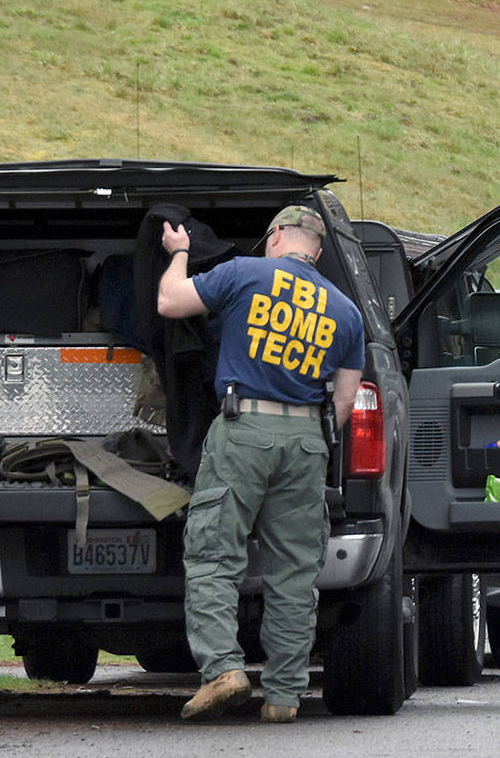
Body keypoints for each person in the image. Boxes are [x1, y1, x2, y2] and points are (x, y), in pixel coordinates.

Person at [159, 204, 365, 724]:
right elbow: (343, 401)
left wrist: (179, 252)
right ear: (316, 251)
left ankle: (224, 670)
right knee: (295, 574)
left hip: (244, 429)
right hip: (307, 441)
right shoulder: (346, 310)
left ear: (275, 237)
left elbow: (169, 301)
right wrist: (308, 440)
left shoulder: (245, 273)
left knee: (213, 556)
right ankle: (284, 697)